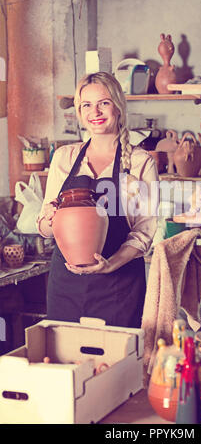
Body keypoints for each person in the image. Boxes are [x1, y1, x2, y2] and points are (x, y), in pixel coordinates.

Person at [37, 72, 159, 328]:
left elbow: (144, 233)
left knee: (116, 363)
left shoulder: (139, 162)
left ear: (118, 105)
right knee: (65, 361)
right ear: (80, 113)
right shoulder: (65, 158)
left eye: (103, 102)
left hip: (119, 286)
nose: (95, 111)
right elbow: (46, 229)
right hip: (66, 286)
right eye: (87, 105)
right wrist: (50, 218)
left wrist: (110, 265)